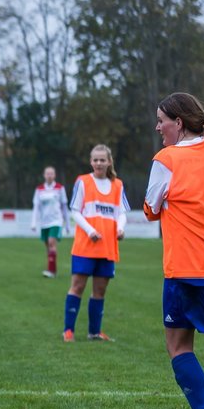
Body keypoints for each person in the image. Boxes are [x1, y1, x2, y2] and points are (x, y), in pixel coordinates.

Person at [143, 92, 204, 409]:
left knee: (179, 347)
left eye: (162, 120)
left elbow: (150, 209)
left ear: (178, 122)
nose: (158, 127)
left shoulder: (167, 159)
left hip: (188, 270)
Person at [62, 144, 128, 342]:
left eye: (102, 160)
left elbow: (122, 212)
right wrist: (90, 230)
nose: (99, 163)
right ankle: (68, 330)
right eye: (95, 160)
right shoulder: (83, 182)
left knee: (100, 290)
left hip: (107, 247)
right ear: (91, 162)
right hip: (85, 246)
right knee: (78, 286)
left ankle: (94, 332)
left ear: (109, 162)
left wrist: (121, 228)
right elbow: (75, 210)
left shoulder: (118, 185)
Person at [29, 166, 69, 278]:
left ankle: (51, 271)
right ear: (44, 175)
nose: (49, 175)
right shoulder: (39, 189)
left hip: (56, 221)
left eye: (52, 173)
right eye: (47, 173)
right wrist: (33, 223)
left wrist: (67, 224)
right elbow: (36, 207)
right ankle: (52, 270)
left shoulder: (60, 188)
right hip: (44, 222)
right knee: (48, 246)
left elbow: (64, 206)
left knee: (52, 242)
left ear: (55, 175)